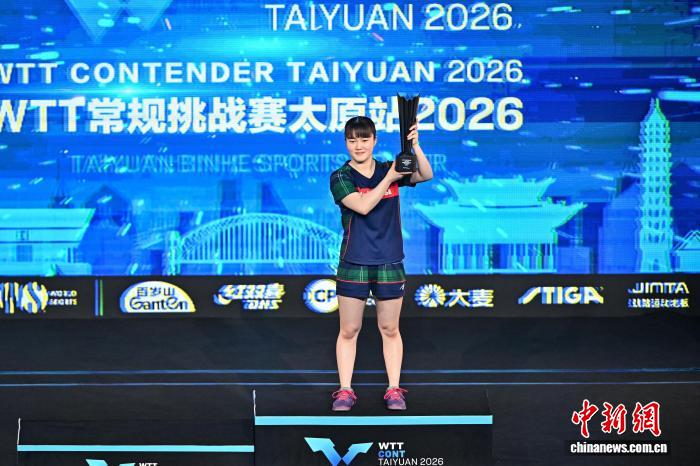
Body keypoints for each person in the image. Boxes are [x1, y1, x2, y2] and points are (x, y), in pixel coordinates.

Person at [329, 115, 433, 411]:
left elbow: (426, 174)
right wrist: (390, 178)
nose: (359, 146)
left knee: (389, 328)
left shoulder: (390, 167)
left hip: (389, 260)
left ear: (374, 140)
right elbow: (362, 206)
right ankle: (345, 390)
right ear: (346, 143)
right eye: (352, 140)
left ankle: (394, 389)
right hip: (354, 261)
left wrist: (415, 146)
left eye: (364, 139)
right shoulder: (340, 177)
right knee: (349, 330)